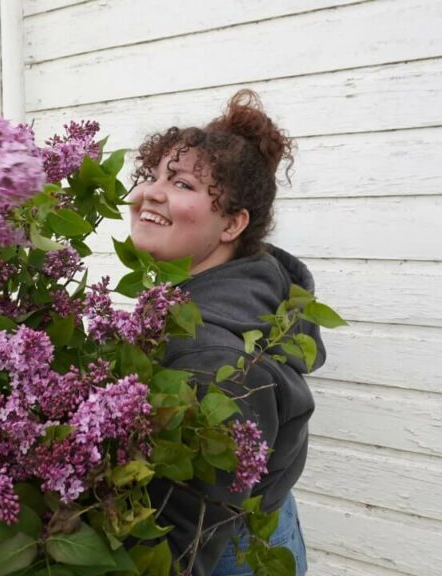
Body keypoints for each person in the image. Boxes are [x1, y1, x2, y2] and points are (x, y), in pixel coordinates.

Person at [126, 89, 325, 576]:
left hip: (219, 552)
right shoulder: (246, 288)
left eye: (182, 184)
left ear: (233, 224)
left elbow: (180, 545)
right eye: (151, 176)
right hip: (261, 524)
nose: (149, 192)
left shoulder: (213, 355)